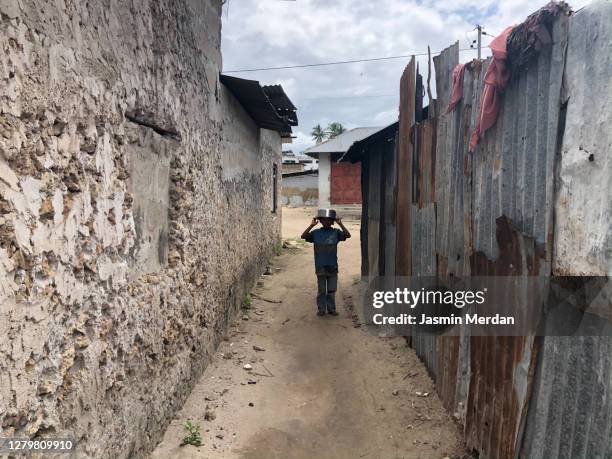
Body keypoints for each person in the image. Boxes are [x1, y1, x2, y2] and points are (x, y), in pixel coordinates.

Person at [301, 212, 351, 316]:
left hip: (332, 266)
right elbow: (303, 236)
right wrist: (311, 225)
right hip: (320, 266)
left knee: (332, 290)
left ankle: (332, 309)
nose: (326, 222)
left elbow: (347, 235)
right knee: (322, 290)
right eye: (323, 220)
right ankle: (321, 309)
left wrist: (340, 224)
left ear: (332, 222)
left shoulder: (336, 232)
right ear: (320, 221)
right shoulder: (316, 233)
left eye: (329, 220)